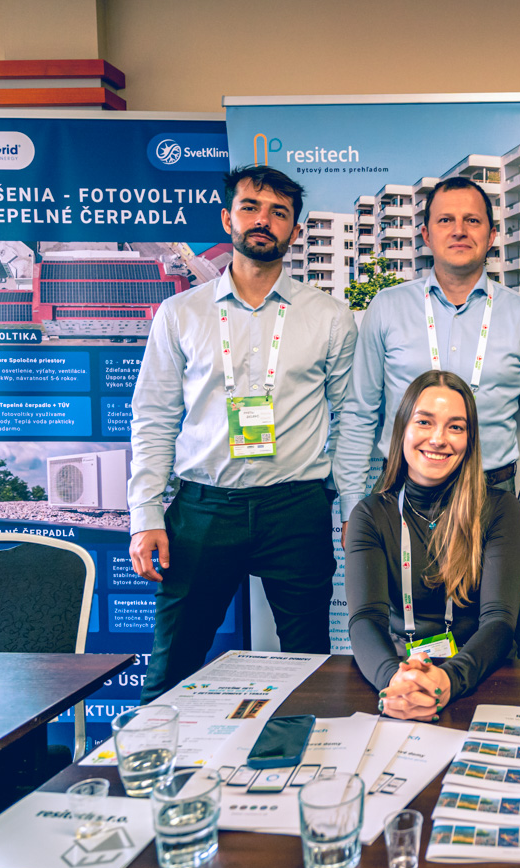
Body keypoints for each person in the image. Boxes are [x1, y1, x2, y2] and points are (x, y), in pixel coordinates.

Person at [129, 165, 358, 701]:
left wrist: (353, 506)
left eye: (279, 213)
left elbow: (350, 420)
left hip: (296, 509)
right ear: (227, 218)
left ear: (294, 231)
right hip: (203, 509)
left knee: (310, 671)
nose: (263, 221)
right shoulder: (180, 314)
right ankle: (155, 756)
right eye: (250, 207)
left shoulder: (329, 317)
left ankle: (301, 753)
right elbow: (154, 416)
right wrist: (145, 514)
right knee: (170, 671)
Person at [335, 176, 520, 556]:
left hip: (491, 497)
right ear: (426, 234)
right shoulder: (387, 308)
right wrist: (353, 508)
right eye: (445, 220)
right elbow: (358, 413)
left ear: (491, 235)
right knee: (397, 597)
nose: (459, 230)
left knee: (494, 598)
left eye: (472, 220)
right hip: (401, 491)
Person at [347, 370, 520, 719]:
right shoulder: (370, 514)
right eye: (424, 422)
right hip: (400, 674)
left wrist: (447, 680)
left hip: (478, 675)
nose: (439, 438)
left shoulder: (499, 509)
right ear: (403, 429)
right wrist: (396, 682)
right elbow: (365, 619)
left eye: (455, 427)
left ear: (469, 440)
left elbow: (499, 622)